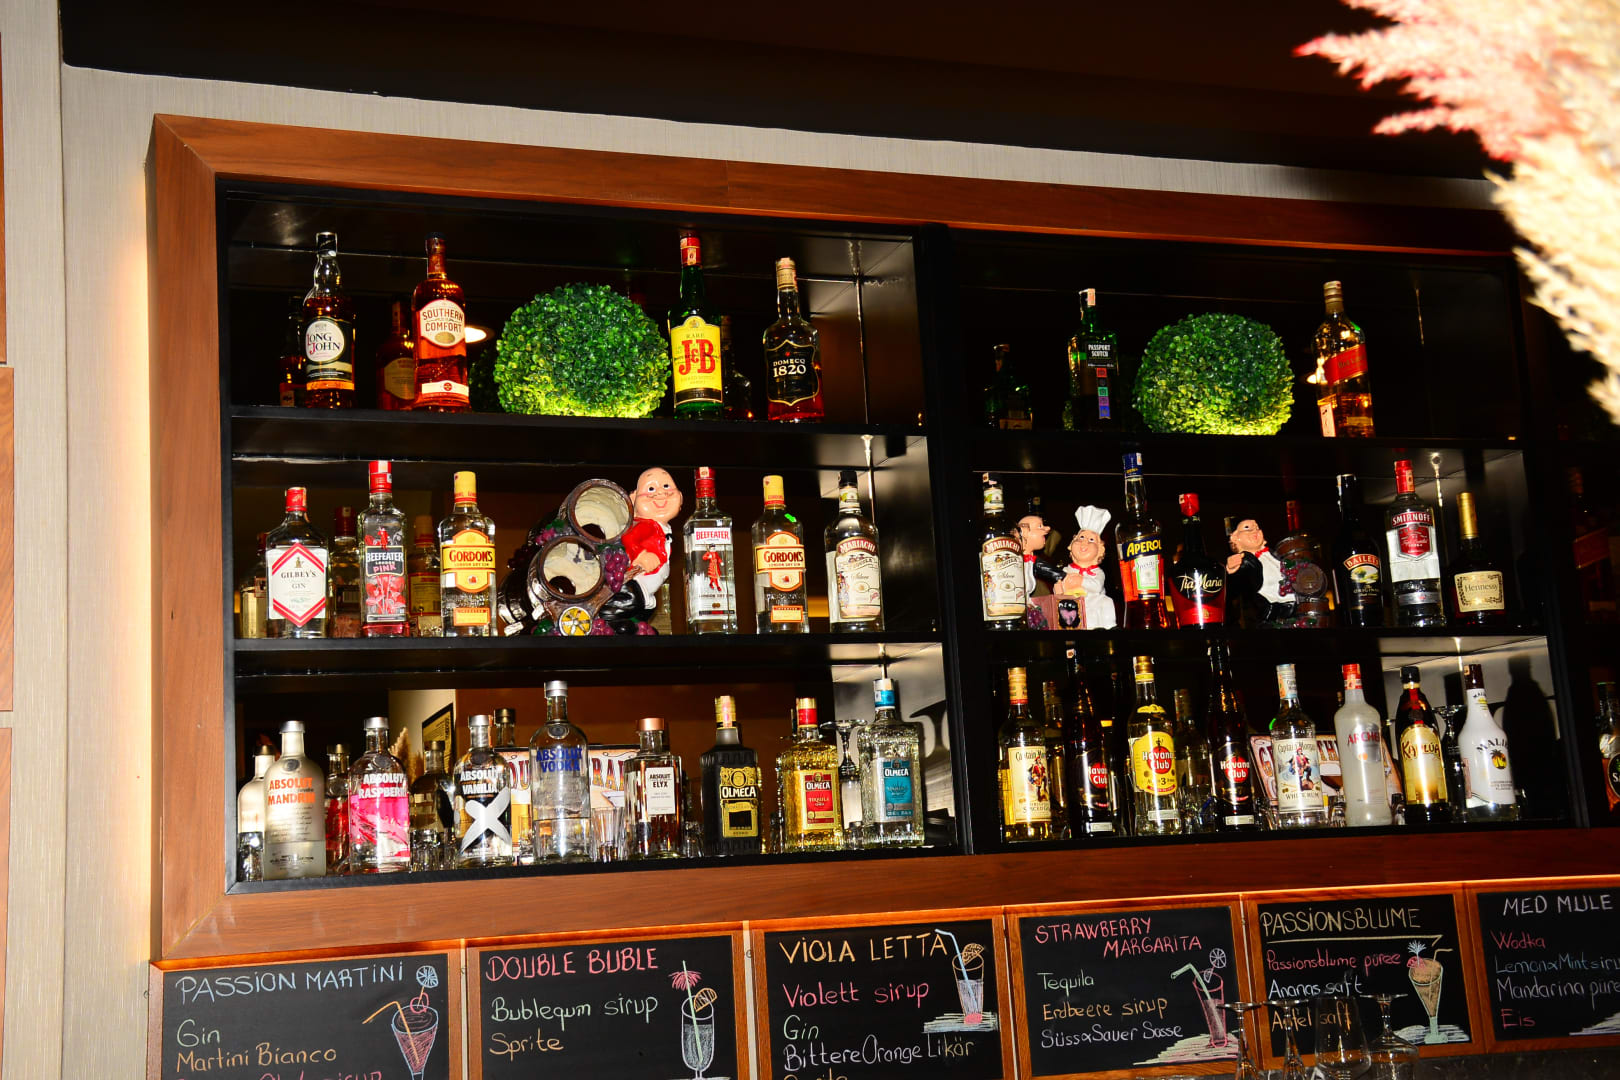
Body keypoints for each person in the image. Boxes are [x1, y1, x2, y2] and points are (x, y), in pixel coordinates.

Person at [600, 467, 683, 634]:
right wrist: (641, 555)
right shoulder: (644, 525)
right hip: (634, 582)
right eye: (650, 488)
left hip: (647, 588)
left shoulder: (661, 528)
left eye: (666, 486)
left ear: (680, 497)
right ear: (633, 499)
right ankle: (610, 622)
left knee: (644, 608)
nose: (660, 493)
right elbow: (628, 538)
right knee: (631, 601)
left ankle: (634, 626)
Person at [1053, 505, 1116, 629]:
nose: (1084, 542)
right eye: (1081, 537)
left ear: (1100, 550)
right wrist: (1058, 590)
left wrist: (1082, 581)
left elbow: (1097, 587)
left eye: (1091, 540)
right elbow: (1060, 585)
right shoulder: (1067, 570)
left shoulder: (1098, 572)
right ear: (1072, 544)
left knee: (1107, 602)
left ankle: (1110, 627)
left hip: (1093, 601)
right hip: (1072, 602)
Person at [1226, 517, 1294, 626]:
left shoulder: (1275, 554)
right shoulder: (1246, 560)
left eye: (1257, 528)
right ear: (1235, 538)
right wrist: (1233, 569)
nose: (1255, 531)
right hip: (1272, 616)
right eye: (1247, 528)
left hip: (1297, 611)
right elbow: (1238, 582)